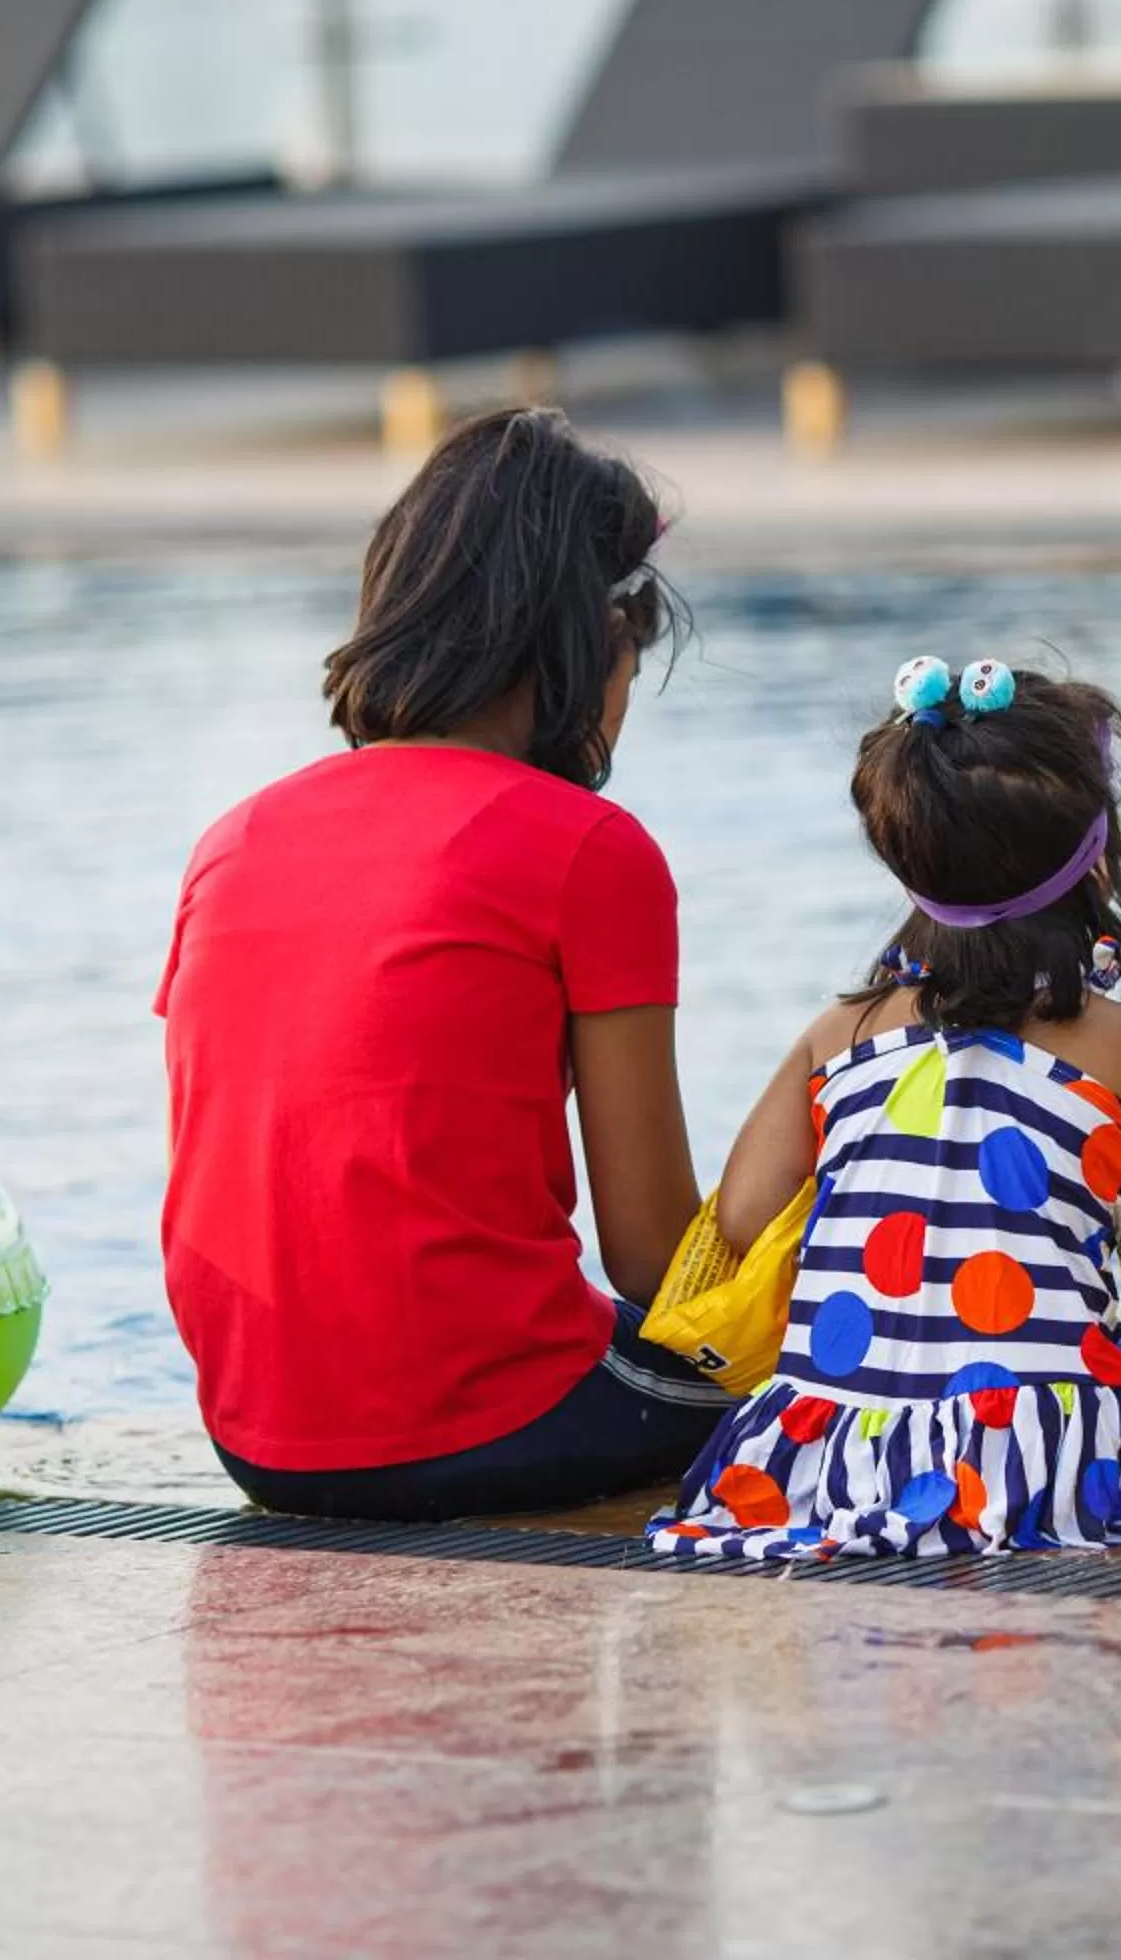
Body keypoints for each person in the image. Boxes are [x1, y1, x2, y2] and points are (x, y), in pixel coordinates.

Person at [157, 408, 725, 1521]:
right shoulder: (591, 849)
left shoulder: (234, 836)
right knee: (838, 1369)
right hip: (489, 1426)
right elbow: (653, 1256)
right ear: (596, 641)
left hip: (257, 1435)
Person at [651, 657, 1121, 1561]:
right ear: (1097, 857)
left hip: (834, 1449)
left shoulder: (835, 1037)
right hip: (1042, 1454)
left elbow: (741, 1218)